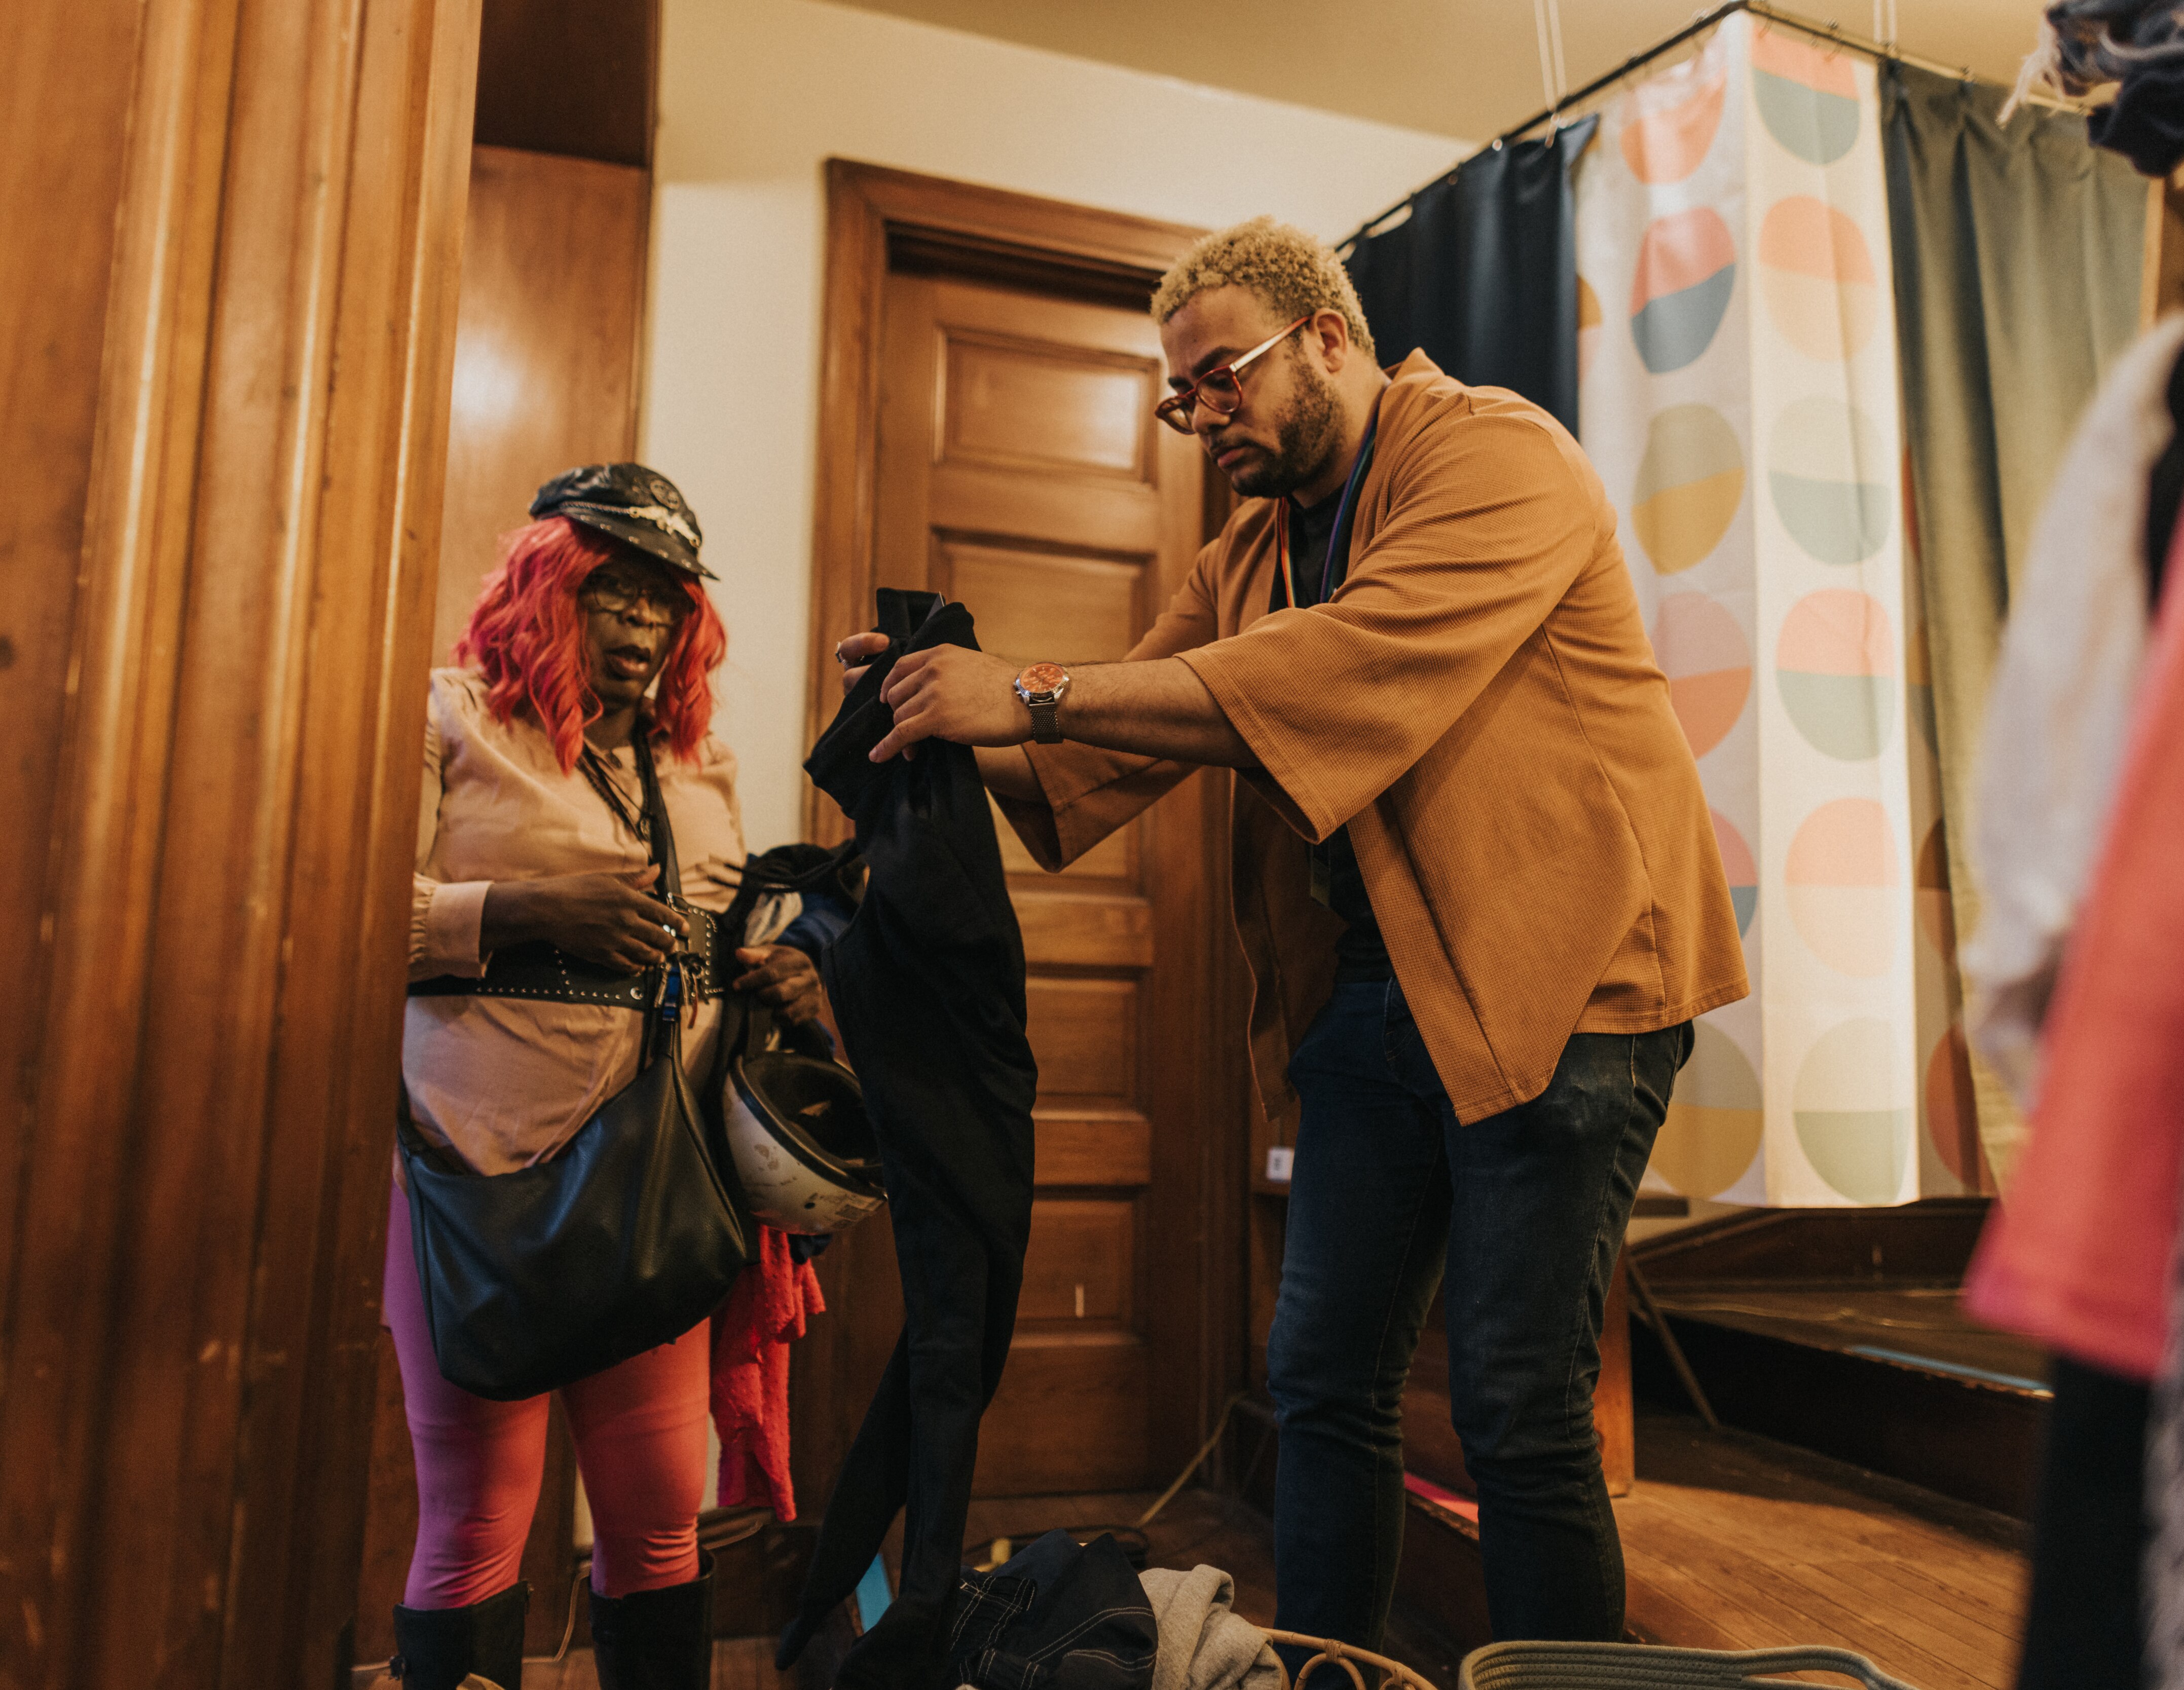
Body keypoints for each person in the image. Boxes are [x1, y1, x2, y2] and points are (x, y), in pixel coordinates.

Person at [836, 219, 1747, 1650]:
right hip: (1378, 1005)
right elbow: (1110, 742)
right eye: (1180, 397)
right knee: (1320, 1379)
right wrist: (937, 715)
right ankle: (1339, 1679)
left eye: (1223, 378)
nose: (1203, 418)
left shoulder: (1495, 455)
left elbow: (1336, 668)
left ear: (1329, 335)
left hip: (1573, 988)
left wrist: (1025, 688)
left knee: (1517, 1406)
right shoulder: (1246, 551)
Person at [390, 464, 827, 1690]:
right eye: (610, 594)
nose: (639, 625)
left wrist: (781, 974)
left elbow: (710, 940)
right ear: (546, 588)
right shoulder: (451, 719)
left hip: (656, 1182)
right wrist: (521, 913)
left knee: (655, 1521)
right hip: (482, 1179)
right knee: (477, 1521)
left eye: (663, 603)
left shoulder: (703, 768)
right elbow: (345, 915)